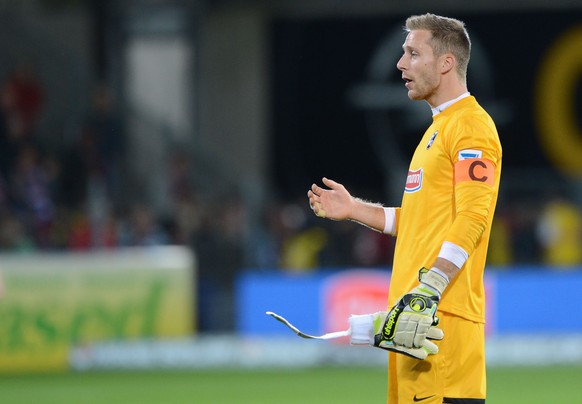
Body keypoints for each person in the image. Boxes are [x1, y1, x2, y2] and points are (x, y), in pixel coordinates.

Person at [308, 13, 502, 403]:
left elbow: (473, 216)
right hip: (414, 326)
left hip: (441, 326)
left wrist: (429, 289)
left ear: (446, 62)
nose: (401, 64)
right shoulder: (435, 130)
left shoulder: (472, 128)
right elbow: (420, 221)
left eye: (413, 53)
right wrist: (355, 209)